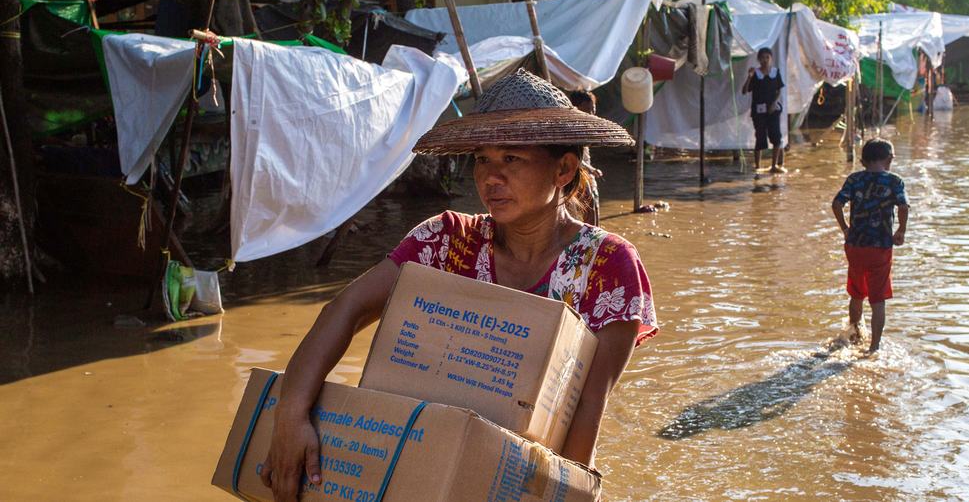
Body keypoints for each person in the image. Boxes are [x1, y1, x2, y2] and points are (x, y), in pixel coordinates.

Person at [259, 70, 658, 501]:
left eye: (511, 159)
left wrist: (558, 495)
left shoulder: (608, 265)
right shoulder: (445, 240)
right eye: (482, 159)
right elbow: (346, 308)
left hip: (529, 481)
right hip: (425, 467)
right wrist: (291, 415)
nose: (490, 177)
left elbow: (586, 406)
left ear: (563, 169)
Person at [831, 138, 909, 353]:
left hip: (855, 246)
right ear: (889, 158)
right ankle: (873, 347)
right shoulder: (894, 181)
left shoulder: (855, 179)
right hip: (880, 247)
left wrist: (845, 229)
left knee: (856, 293)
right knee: (878, 299)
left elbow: (837, 203)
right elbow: (903, 206)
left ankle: (855, 336)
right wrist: (901, 230)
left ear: (864, 160)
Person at [741, 47, 785, 173]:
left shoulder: (776, 72)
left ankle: (773, 166)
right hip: (758, 111)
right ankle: (757, 167)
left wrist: (774, 103)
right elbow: (744, 91)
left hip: (772, 110)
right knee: (760, 137)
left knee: (776, 136)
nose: (765, 60)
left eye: (767, 57)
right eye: (762, 58)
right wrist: (749, 77)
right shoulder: (755, 74)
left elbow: (778, 91)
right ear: (758, 59)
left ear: (771, 58)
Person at [567, 90, 604, 226]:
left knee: (592, 208)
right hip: (578, 176)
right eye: (588, 110)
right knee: (585, 210)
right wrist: (591, 169)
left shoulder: (583, 128)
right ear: (576, 108)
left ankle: (594, 240)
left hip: (587, 175)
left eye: (593, 110)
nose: (591, 114)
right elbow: (574, 158)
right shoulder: (570, 130)